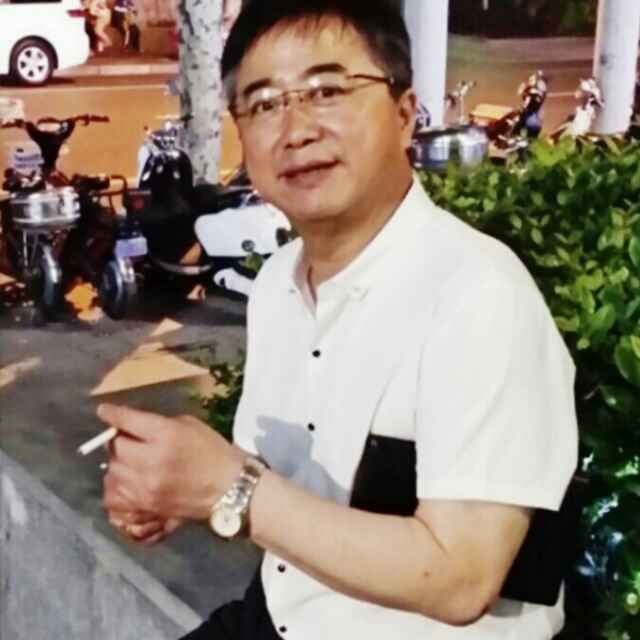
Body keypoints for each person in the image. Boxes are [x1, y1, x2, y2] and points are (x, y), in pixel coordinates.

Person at [98, 1, 579, 639]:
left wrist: (229, 488)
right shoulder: (278, 283)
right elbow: (282, 491)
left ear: (404, 114)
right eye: (263, 103)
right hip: (280, 617)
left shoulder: (479, 296)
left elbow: (462, 577)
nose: (295, 130)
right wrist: (178, 489)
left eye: (327, 91)